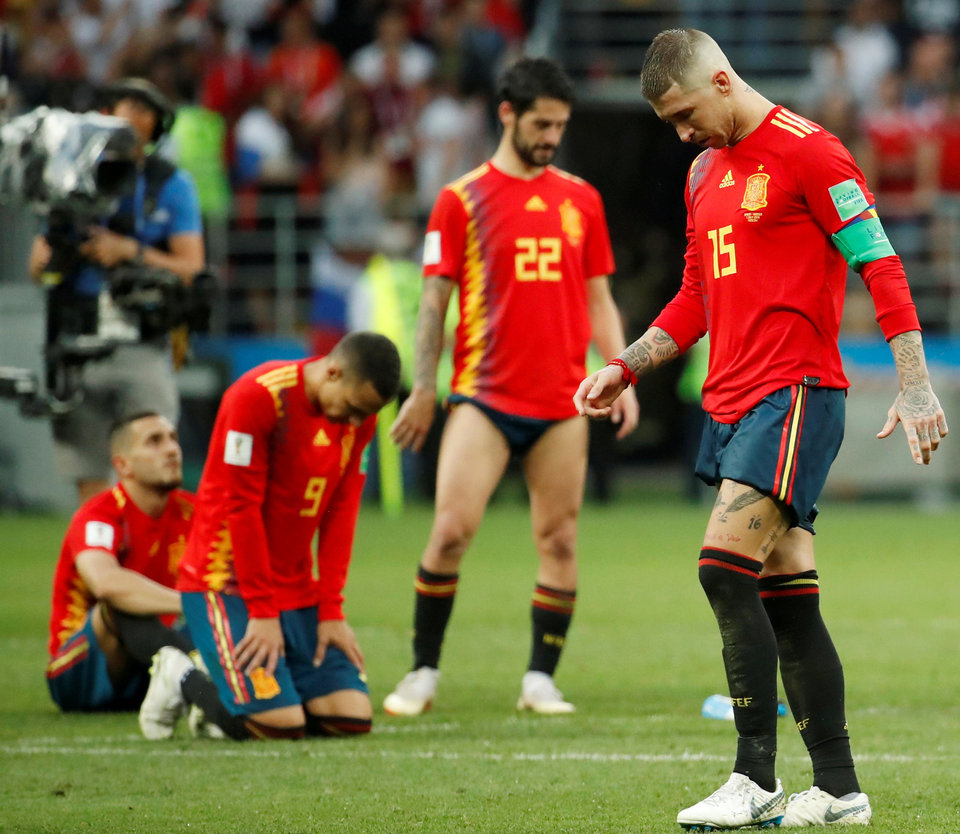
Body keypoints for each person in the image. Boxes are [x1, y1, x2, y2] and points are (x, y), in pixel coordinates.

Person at [574, 29, 948, 829]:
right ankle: (839, 789)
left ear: (721, 80)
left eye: (685, 115)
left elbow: (880, 263)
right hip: (733, 401)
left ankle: (753, 778)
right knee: (788, 597)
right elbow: (697, 296)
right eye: (670, 124)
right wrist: (627, 365)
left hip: (796, 394)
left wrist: (915, 385)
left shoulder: (812, 152)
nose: (683, 134)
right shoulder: (703, 173)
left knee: (721, 568)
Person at [382, 56, 640, 718]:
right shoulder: (460, 200)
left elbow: (599, 299)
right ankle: (422, 670)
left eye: (560, 126)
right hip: (485, 396)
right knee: (449, 533)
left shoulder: (581, 199)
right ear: (507, 115)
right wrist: (422, 389)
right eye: (541, 124)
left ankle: (539, 680)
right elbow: (434, 302)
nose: (552, 137)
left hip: (563, 400)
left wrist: (624, 371)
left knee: (560, 540)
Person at [172, 332, 401, 740]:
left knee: (350, 718)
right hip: (225, 583)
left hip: (294, 587)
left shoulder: (360, 419)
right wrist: (262, 612)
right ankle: (183, 676)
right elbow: (241, 508)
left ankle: (262, 684)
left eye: (365, 414)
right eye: (352, 408)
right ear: (333, 372)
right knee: (278, 724)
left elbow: (341, 513)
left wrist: (331, 610)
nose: (354, 423)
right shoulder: (257, 397)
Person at [28, 77, 205, 505]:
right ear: (105, 115)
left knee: (156, 469)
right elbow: (37, 268)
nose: (133, 119)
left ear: (157, 126)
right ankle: (100, 548)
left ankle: (148, 550)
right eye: (127, 107)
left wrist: (130, 252)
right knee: (90, 481)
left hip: (142, 339)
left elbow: (191, 269)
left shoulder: (170, 183)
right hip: (76, 341)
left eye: (145, 112)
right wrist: (58, 251)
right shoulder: (70, 175)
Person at [46, 411, 248, 741]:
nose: (171, 449)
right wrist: (192, 602)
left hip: (152, 659)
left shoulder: (194, 512)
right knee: (117, 604)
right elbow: (105, 583)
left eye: (173, 439)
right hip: (82, 672)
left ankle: (199, 679)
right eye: (154, 441)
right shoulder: (99, 514)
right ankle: (209, 697)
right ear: (123, 465)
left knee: (238, 609)